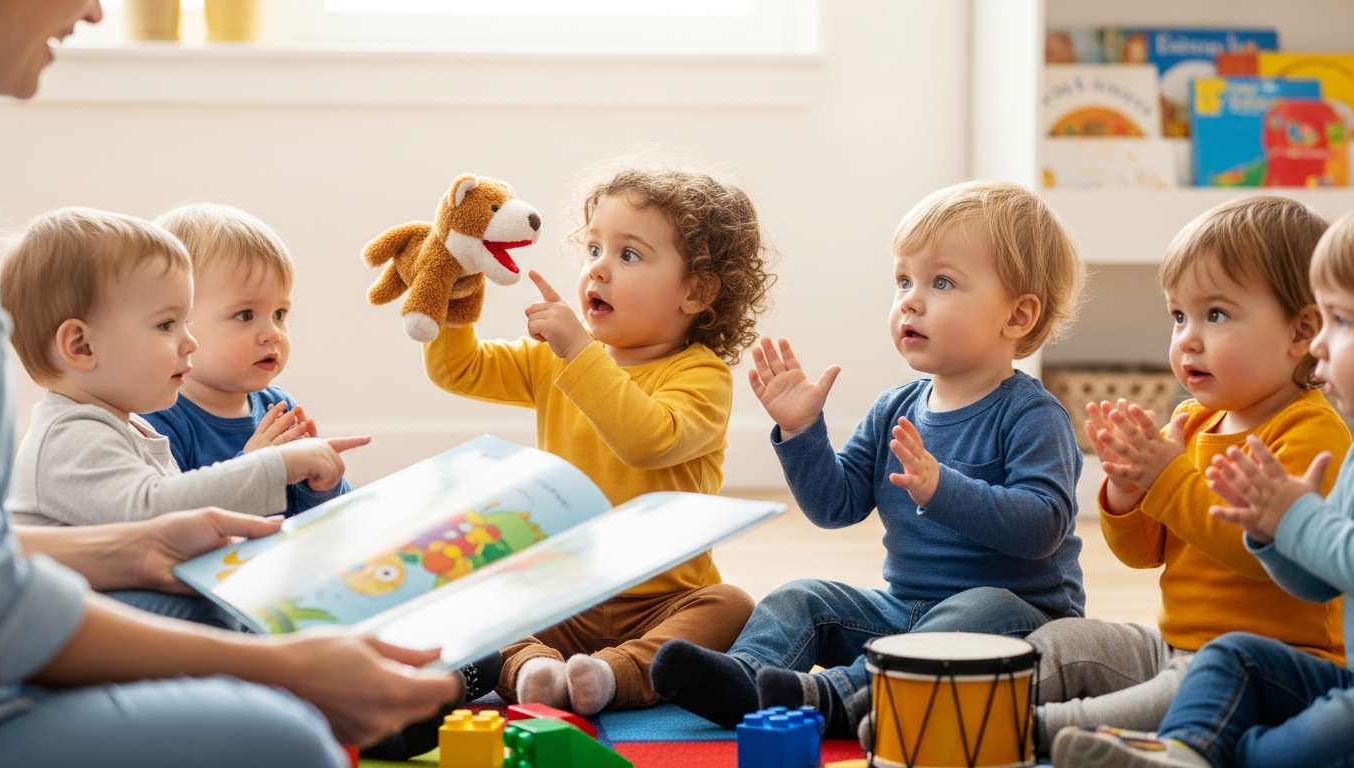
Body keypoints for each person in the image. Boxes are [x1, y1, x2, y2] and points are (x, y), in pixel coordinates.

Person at [0, 2, 458, 766]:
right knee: (286, 734)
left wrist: (140, 543)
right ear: (78, 345)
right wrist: (285, 666)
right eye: (171, 327)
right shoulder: (88, 427)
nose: (95, 9)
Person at [650, 180, 1087, 738]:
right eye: (904, 280)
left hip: (1019, 621)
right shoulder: (896, 408)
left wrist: (939, 488)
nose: (910, 299)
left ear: (1018, 316)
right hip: (907, 609)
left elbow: (1043, 527)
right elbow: (836, 507)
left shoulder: (1032, 415)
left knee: (981, 606)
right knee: (801, 595)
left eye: (942, 282)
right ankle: (748, 678)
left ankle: (834, 696)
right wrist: (801, 430)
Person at [422, 166, 774, 715]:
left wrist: (578, 353)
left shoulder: (701, 376)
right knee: (475, 585)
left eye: (628, 255)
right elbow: (460, 369)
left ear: (696, 291)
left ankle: (614, 674)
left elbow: (647, 440)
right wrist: (456, 296)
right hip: (564, 594)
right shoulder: (556, 358)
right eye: (592, 249)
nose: (598, 270)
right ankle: (532, 666)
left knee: (732, 606)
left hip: (666, 599)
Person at [1028, 197, 1347, 749]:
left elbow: (1261, 555)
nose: (1187, 339)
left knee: (1144, 701)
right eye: (1178, 316)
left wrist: (1168, 478)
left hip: (1264, 666)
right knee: (1064, 643)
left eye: (1215, 315)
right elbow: (1143, 553)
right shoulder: (1193, 421)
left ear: (1301, 334)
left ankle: (1016, 731)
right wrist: (1129, 493)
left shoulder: (1311, 435)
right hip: (1174, 645)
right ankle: (958, 691)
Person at [0, 207, 366, 528]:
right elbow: (163, 516)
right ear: (82, 346)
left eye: (281, 314)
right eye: (167, 325)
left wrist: (318, 482)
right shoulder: (70, 436)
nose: (189, 341)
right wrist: (270, 465)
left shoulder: (131, 426)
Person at [142, 203, 352, 518]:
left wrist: (321, 485)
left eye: (280, 314)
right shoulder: (158, 422)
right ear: (173, 322)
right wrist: (253, 468)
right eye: (245, 315)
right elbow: (173, 527)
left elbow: (317, 519)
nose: (273, 334)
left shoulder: (278, 406)